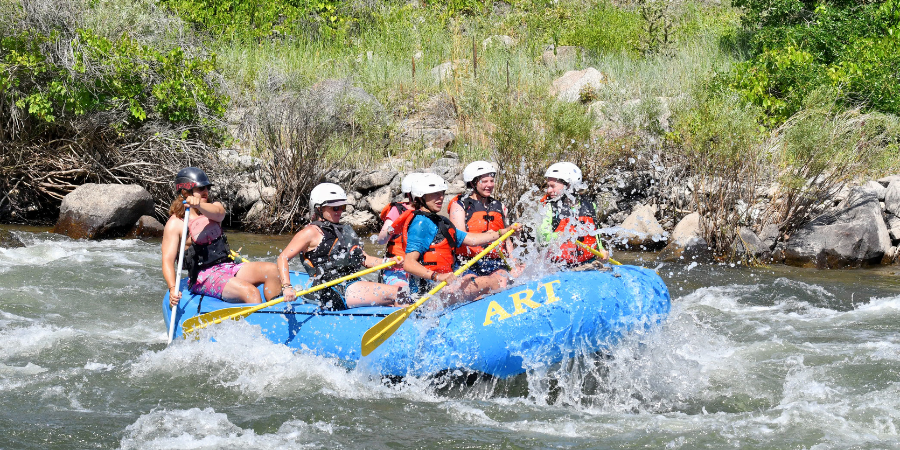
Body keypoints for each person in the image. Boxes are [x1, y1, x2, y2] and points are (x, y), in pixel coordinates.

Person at [162, 167, 282, 308]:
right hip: (203, 276)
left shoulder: (213, 207)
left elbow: (219, 213)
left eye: (207, 187)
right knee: (252, 293)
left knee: (272, 270)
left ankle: (277, 313)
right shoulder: (176, 223)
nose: (205, 191)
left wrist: (199, 205)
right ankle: (257, 324)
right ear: (185, 192)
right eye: (200, 188)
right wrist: (172, 288)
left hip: (227, 266)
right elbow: (167, 261)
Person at [276, 183, 404, 310]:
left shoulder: (344, 231)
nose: (340, 211)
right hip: (329, 290)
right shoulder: (310, 232)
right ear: (319, 208)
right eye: (334, 208)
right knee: (400, 294)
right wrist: (287, 287)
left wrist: (389, 262)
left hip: (350, 283)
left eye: (342, 207)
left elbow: (365, 259)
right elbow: (283, 258)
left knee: (396, 298)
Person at [400, 173, 520, 306]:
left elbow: (471, 238)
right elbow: (409, 264)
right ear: (421, 197)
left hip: (443, 287)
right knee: (493, 282)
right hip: (429, 295)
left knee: (471, 279)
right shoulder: (421, 224)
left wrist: (503, 232)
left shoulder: (439, 221)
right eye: (434, 194)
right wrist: (438, 277)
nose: (440, 198)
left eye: (441, 193)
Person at [448, 161, 515, 282]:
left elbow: (507, 240)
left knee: (502, 280)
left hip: (495, 262)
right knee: (472, 284)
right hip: (468, 262)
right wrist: (488, 236)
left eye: (491, 181)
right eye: (484, 181)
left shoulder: (499, 206)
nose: (489, 185)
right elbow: (460, 236)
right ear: (472, 183)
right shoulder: (460, 205)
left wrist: (514, 263)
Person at [538, 162, 609, 267]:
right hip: (559, 265)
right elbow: (541, 238)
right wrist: (560, 236)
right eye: (548, 186)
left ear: (569, 185)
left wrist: (601, 249)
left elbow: (595, 232)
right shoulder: (549, 207)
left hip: (588, 262)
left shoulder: (590, 205)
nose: (549, 190)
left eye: (552, 186)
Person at [376, 173, 420, 288]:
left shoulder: (427, 212)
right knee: (403, 290)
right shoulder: (397, 210)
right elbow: (381, 240)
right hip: (397, 270)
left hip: (419, 268)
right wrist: (393, 228)